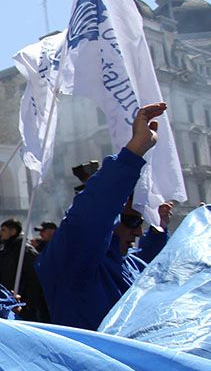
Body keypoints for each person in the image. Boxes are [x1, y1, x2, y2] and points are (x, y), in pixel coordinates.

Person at [36, 103, 174, 330]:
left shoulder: (129, 262)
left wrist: (159, 229)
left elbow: (150, 264)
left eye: (140, 221)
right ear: (111, 219)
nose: (139, 231)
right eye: (131, 221)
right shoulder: (73, 265)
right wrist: (133, 152)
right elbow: (89, 219)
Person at [0, 219, 49, 323]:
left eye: (4, 230)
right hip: (9, 297)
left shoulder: (25, 250)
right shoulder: (6, 249)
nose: (1, 233)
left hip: (24, 303)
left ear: (13, 231)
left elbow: (34, 278)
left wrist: (28, 304)